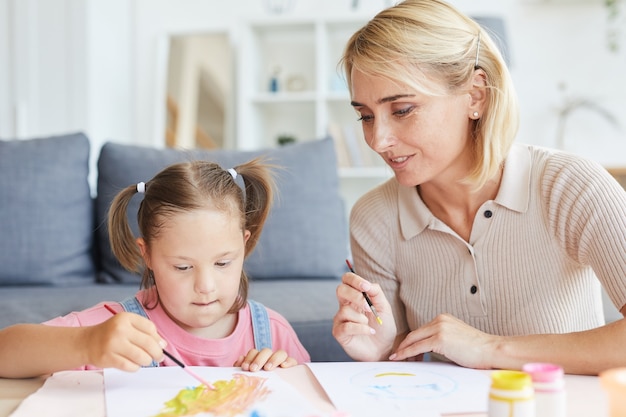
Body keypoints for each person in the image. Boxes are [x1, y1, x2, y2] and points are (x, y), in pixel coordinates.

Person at [332, 0, 626, 376]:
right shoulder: (373, 217)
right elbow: (401, 371)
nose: (378, 140)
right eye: (366, 116)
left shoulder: (572, 186)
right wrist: (381, 350)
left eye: (403, 109)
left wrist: (489, 348)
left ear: (475, 96)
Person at [0, 158, 310, 379]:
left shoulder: (271, 332)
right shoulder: (113, 329)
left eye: (223, 263)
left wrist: (286, 376)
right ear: (146, 254)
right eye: (183, 267)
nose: (205, 285)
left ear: (244, 245)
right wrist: (87, 344)